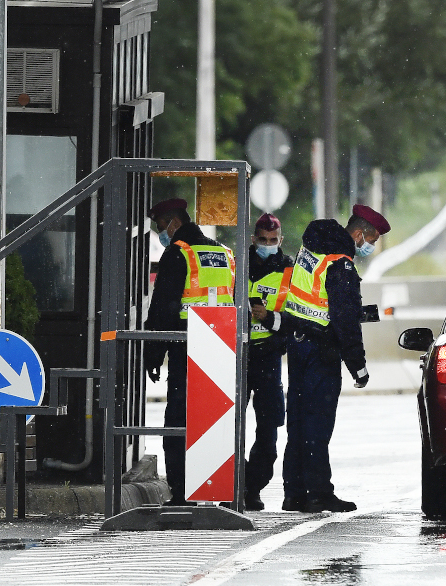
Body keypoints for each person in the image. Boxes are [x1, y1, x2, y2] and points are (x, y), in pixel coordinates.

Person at [280, 204, 390, 513]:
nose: (371, 246)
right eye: (372, 239)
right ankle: (319, 493)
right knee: (318, 423)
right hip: (321, 351)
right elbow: (343, 321)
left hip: (298, 344)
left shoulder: (311, 249)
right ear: (358, 235)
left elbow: (311, 298)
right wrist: (358, 365)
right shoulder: (340, 264)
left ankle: (295, 492)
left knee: (299, 422)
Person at [144, 198, 236, 506]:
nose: (162, 234)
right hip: (220, 348)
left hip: (187, 347)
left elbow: (163, 310)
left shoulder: (178, 253)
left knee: (179, 421)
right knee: (213, 418)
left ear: (173, 222)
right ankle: (215, 489)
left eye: (161, 227)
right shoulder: (223, 253)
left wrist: (153, 355)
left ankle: (182, 492)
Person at [239, 212, 295, 511]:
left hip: (269, 356)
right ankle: (234, 480)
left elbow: (298, 319)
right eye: (262, 240)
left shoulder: (290, 270)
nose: (268, 245)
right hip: (237, 355)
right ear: (253, 239)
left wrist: (269, 318)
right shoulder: (238, 265)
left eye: (273, 241)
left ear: (281, 240)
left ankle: (254, 485)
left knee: (269, 424)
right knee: (229, 422)